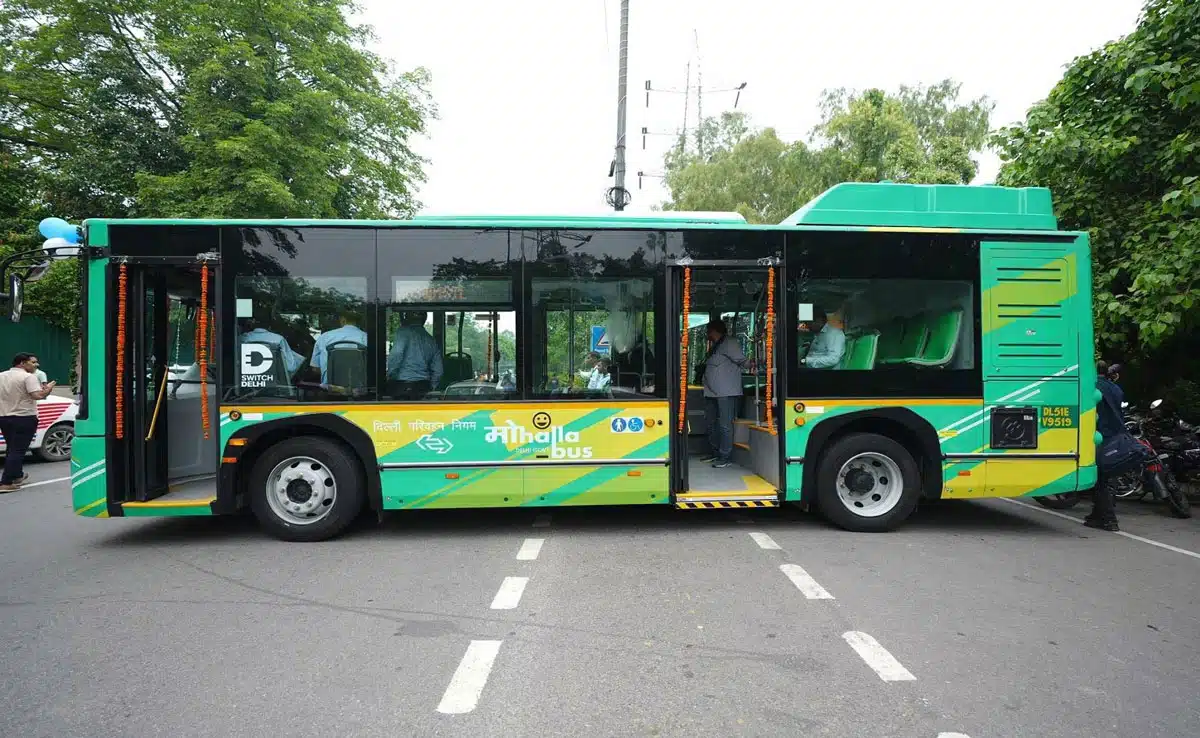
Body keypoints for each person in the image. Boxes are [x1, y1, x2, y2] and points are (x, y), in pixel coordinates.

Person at [0, 353, 56, 492]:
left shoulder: (2, 376)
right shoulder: (28, 377)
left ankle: (17, 475)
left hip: (4, 417)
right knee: (18, 450)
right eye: (33, 362)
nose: (36, 365)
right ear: (22, 363)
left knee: (12, 448)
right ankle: (6, 482)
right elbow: (37, 395)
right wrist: (47, 390)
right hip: (24, 417)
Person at [701, 319, 748, 469]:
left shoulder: (730, 343)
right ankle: (715, 452)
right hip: (711, 392)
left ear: (714, 331)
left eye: (708, 331)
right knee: (711, 423)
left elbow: (743, 362)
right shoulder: (716, 345)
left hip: (726, 391)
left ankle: (725, 456)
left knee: (725, 425)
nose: (707, 334)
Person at [1088, 360, 1127, 531]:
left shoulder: (1094, 387)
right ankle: (1096, 515)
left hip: (1101, 435)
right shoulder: (1116, 388)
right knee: (1106, 477)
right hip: (1117, 435)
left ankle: (1110, 520)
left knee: (1101, 480)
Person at [385, 311, 443, 398]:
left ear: (407, 317)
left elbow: (396, 353)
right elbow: (438, 370)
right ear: (424, 319)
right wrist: (431, 387)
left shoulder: (403, 332)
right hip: (423, 386)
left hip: (402, 386)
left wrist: (390, 374)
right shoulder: (431, 340)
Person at [238, 308, 305, 380]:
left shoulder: (242, 339)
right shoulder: (278, 340)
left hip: (245, 384)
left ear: (252, 322)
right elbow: (291, 367)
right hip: (274, 384)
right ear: (271, 323)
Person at [310, 311, 368, 384]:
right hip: (361, 389)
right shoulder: (367, 338)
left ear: (343, 320)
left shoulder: (324, 337)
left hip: (330, 389)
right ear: (359, 322)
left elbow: (315, 368)